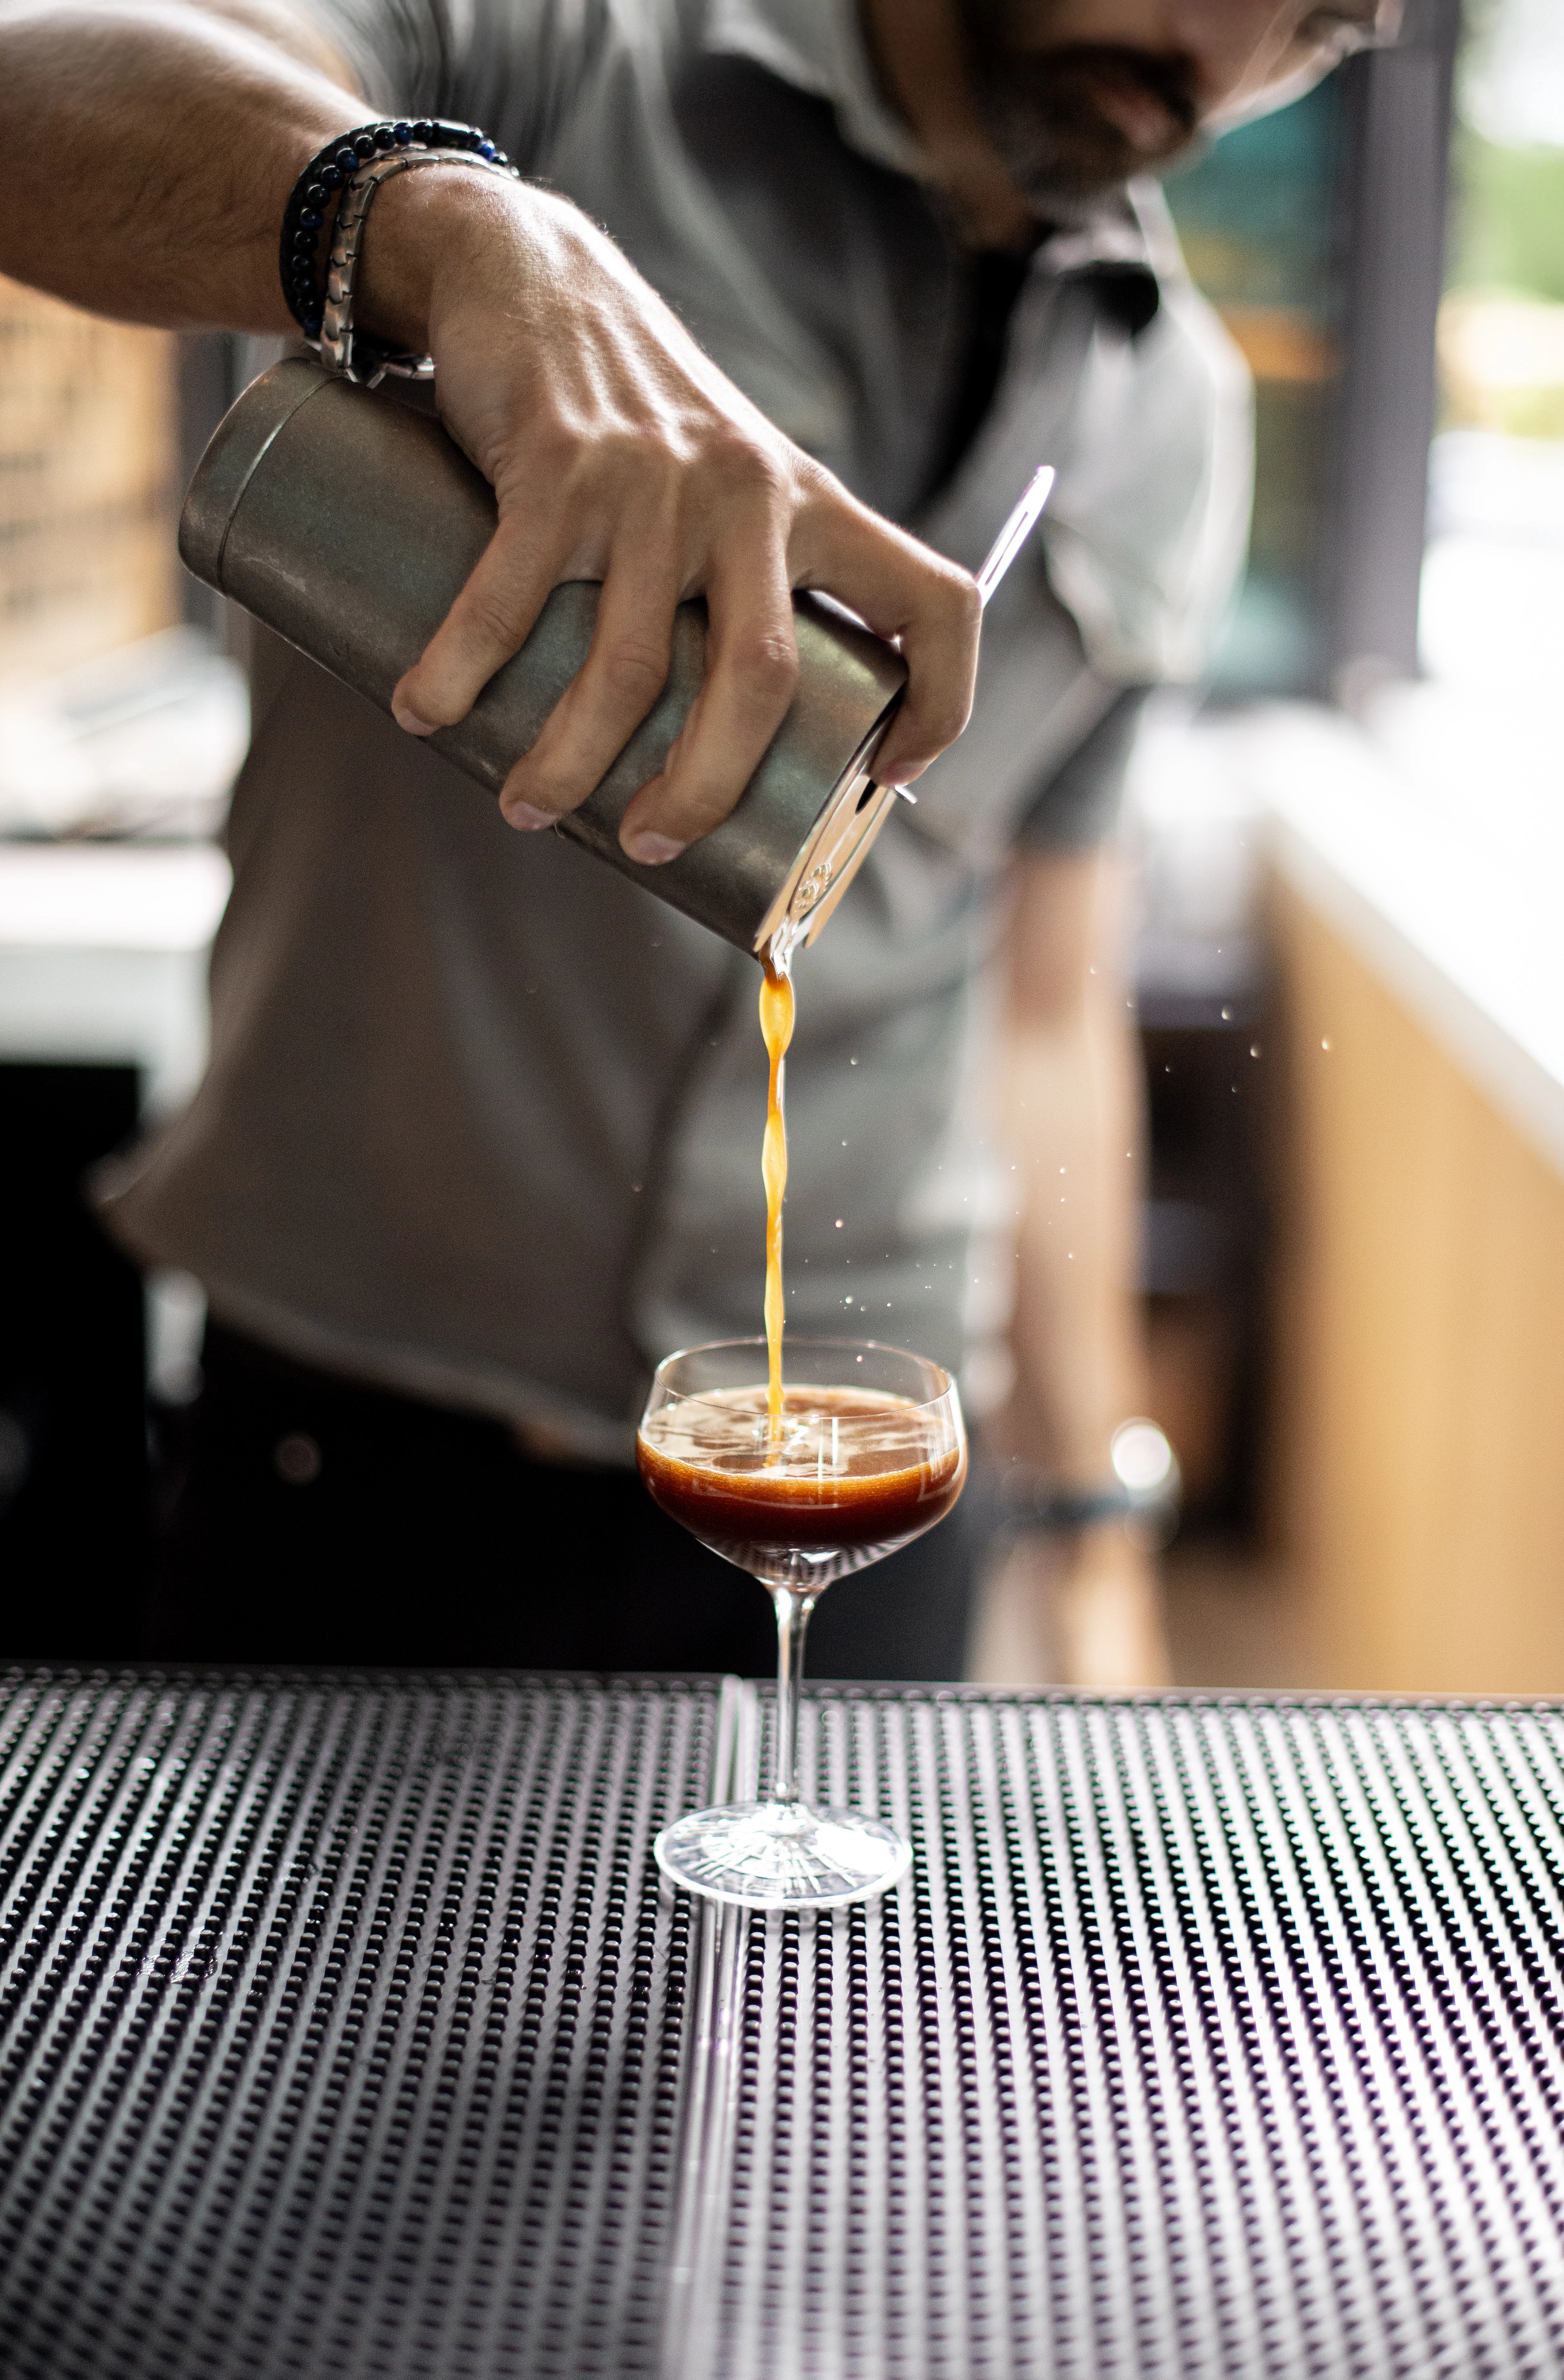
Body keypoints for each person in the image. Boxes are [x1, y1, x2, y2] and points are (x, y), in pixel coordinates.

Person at [2, 0, 1385, 1678]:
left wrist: (1089, 1524)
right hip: (368, 1455)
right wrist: (439, 224)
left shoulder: (1173, 411)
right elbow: (33, 92)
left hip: (871, 1485)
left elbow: (1040, 1001)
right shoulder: (564, 54)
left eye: (1320, 29)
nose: (1224, 62)